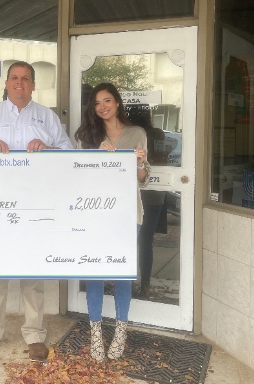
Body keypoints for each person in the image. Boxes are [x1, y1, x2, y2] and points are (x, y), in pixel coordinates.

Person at [0, 61, 74, 364]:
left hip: (34, 205)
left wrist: (47, 148)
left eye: (26, 79)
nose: (20, 83)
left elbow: (68, 153)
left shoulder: (47, 116)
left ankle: (35, 335)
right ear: (7, 83)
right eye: (15, 78)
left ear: (33, 85)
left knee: (32, 272)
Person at [74, 82, 150, 362]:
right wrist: (96, 156)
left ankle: (120, 331)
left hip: (128, 213)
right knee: (93, 271)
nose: (102, 107)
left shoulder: (137, 134)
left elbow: (142, 179)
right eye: (97, 103)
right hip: (95, 214)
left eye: (107, 101)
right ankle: (96, 332)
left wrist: (139, 163)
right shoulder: (86, 136)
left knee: (121, 273)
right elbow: (78, 176)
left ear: (117, 103)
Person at [127, 106, 167, 299]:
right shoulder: (157, 134)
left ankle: (131, 284)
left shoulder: (133, 136)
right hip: (153, 197)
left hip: (141, 196)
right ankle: (145, 285)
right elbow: (164, 155)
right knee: (145, 241)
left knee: (130, 242)